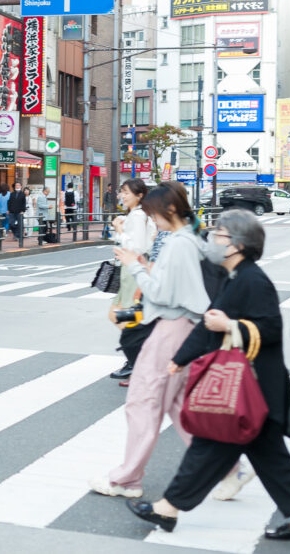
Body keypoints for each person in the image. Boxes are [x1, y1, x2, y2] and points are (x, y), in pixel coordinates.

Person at [127, 210, 290, 541]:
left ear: (237, 245)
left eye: (219, 235)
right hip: (251, 389)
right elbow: (209, 323)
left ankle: (168, 508)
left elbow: (269, 328)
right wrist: (180, 359)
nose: (212, 239)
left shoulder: (253, 280)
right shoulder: (236, 277)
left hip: (253, 387)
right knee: (267, 457)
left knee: (211, 446)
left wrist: (229, 326)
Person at [90, 185, 210, 498]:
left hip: (171, 327)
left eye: (154, 214)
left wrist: (133, 264)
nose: (152, 220)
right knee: (176, 405)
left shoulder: (178, 243)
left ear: (169, 211)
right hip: (183, 326)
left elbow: (161, 292)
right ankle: (225, 467)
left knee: (143, 402)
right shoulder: (189, 239)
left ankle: (127, 478)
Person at [108, 179, 157, 383]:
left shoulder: (137, 216)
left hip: (134, 267)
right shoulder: (139, 215)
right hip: (135, 267)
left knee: (120, 315)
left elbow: (137, 247)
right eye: (122, 192)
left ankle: (137, 358)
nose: (122, 196)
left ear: (140, 195)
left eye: (127, 192)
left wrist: (119, 231)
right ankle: (137, 357)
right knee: (125, 316)